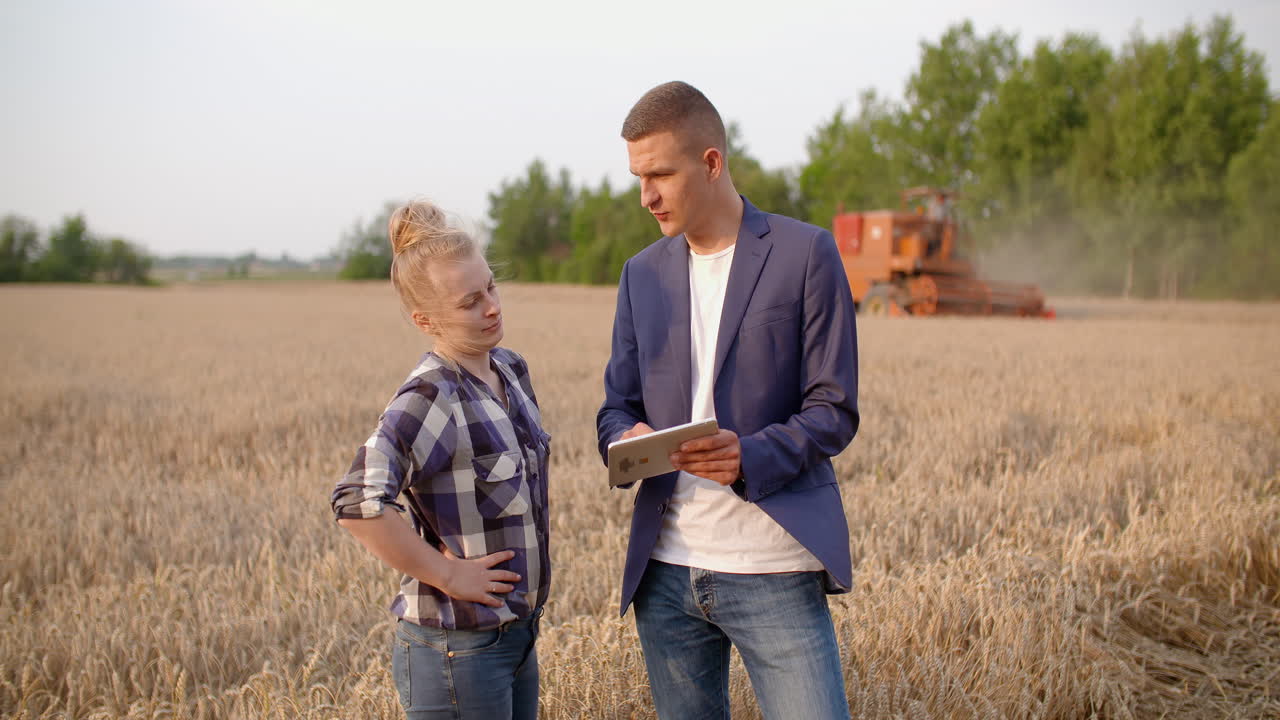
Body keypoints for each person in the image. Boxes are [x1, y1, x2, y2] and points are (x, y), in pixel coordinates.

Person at [596, 81, 860, 720]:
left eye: (659, 173)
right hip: (666, 571)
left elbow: (834, 408)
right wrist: (624, 438)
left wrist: (750, 455)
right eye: (638, 176)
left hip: (773, 562)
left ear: (712, 162)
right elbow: (615, 406)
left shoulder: (806, 253)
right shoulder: (640, 274)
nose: (646, 196)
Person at [331, 199, 551, 720]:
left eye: (491, 288)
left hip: (517, 638)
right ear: (424, 319)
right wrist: (447, 576)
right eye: (470, 302)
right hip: (458, 651)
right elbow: (356, 501)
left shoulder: (511, 370)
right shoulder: (431, 396)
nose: (491, 307)